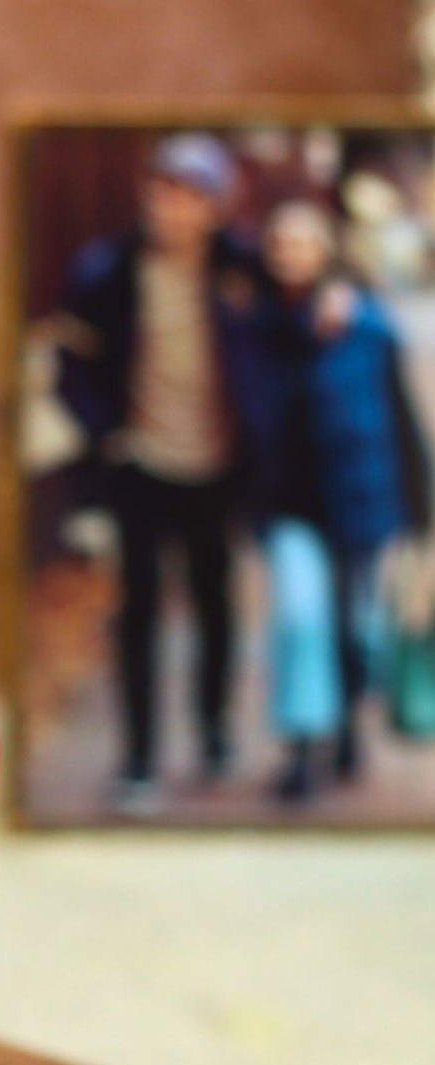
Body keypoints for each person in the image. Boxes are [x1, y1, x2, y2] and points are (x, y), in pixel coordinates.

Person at [56, 134, 269, 814]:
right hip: (140, 465)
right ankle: (140, 759)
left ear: (214, 207)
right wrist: (106, 431)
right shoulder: (107, 271)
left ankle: (212, 734)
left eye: (190, 196)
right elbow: (72, 361)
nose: (173, 208)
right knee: (139, 611)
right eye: (162, 191)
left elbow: (293, 322)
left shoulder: (242, 269)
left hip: (217, 465)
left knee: (215, 605)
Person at [252, 200, 431, 802]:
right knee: (302, 622)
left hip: (360, 504)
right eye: (281, 243)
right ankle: (304, 749)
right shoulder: (259, 326)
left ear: (326, 249)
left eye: (304, 242)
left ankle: (350, 723)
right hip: (290, 506)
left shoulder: (368, 325)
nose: (291, 254)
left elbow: (401, 416)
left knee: (356, 628)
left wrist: (420, 511)